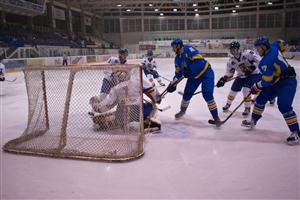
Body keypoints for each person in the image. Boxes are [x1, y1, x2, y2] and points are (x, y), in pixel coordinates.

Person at [242, 36, 299, 145]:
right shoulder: (275, 45)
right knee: (260, 100)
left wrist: (256, 87)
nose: (257, 51)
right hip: (276, 81)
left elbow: (266, 81)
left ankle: (296, 132)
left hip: (287, 82)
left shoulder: (266, 61)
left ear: (264, 47)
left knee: (284, 106)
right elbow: (284, 43)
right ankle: (253, 120)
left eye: (258, 49)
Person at [167, 38, 221, 126]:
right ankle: (182, 111)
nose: (172, 49)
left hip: (206, 73)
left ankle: (216, 117)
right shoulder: (177, 59)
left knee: (207, 94)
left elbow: (199, 62)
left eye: (173, 47)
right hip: (193, 77)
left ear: (178, 46)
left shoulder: (189, 49)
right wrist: (173, 83)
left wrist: (188, 71)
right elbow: (178, 73)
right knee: (186, 95)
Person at [89, 71, 162, 133]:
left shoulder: (115, 88)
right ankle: (150, 122)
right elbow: (151, 92)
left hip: (122, 114)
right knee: (152, 107)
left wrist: (98, 108)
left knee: (116, 116)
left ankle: (104, 122)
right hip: (138, 112)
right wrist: (156, 99)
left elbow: (108, 105)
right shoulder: (137, 81)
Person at [216, 41, 261, 116]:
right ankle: (228, 104)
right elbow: (229, 73)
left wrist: (252, 67)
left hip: (253, 75)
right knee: (233, 91)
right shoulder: (231, 61)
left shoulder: (248, 53)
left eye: (234, 49)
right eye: (231, 49)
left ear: (238, 49)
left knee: (246, 90)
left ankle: (247, 108)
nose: (233, 51)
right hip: (241, 76)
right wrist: (224, 79)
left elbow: (259, 61)